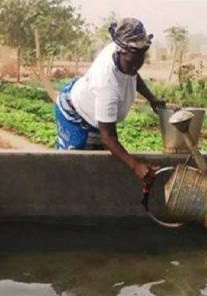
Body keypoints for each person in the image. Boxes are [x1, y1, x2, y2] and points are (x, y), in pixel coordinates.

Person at [54, 18, 165, 184]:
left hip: (90, 108)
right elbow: (108, 138)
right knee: (74, 172)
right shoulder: (106, 83)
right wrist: (136, 167)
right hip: (75, 116)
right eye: (131, 61)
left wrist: (152, 98)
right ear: (119, 51)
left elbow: (133, 74)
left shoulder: (126, 52)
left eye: (140, 60)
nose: (135, 66)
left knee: (97, 167)